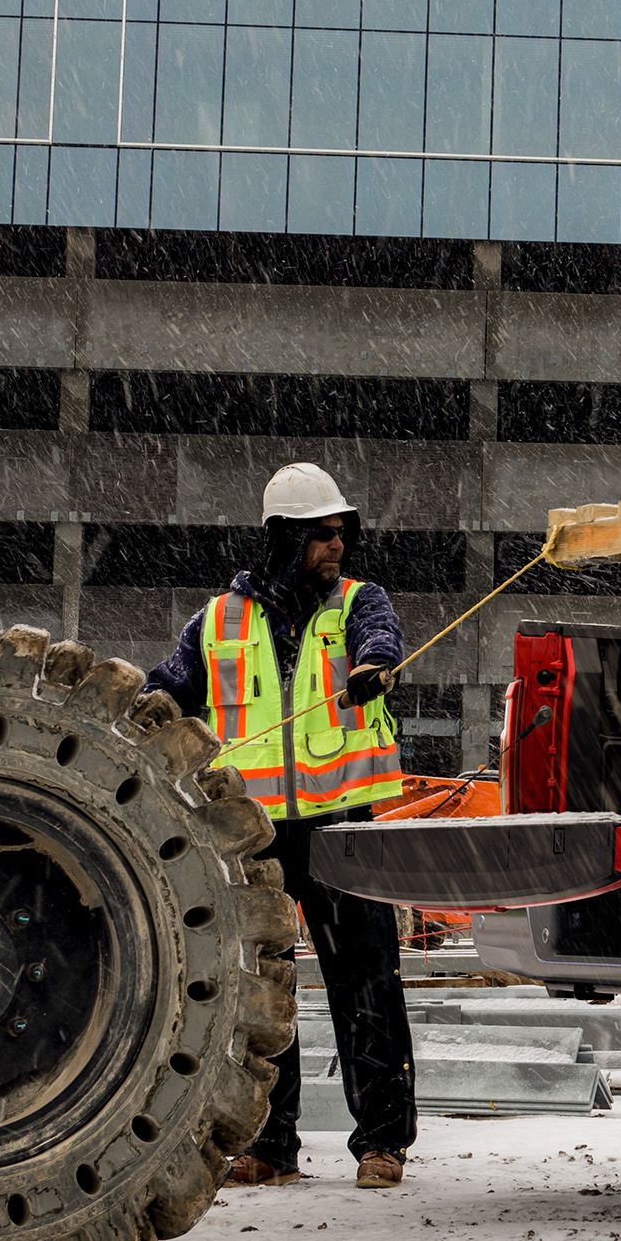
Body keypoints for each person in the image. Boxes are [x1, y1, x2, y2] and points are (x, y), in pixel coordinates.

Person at [155, 461, 419, 1190]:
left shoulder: (359, 604)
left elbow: (381, 637)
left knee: (367, 984)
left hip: (343, 828)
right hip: (254, 836)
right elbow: (165, 693)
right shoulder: (216, 622)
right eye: (322, 534)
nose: (338, 546)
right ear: (282, 539)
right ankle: (270, 1146)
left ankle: (382, 1143)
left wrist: (376, 667)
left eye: (342, 532)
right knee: (260, 994)